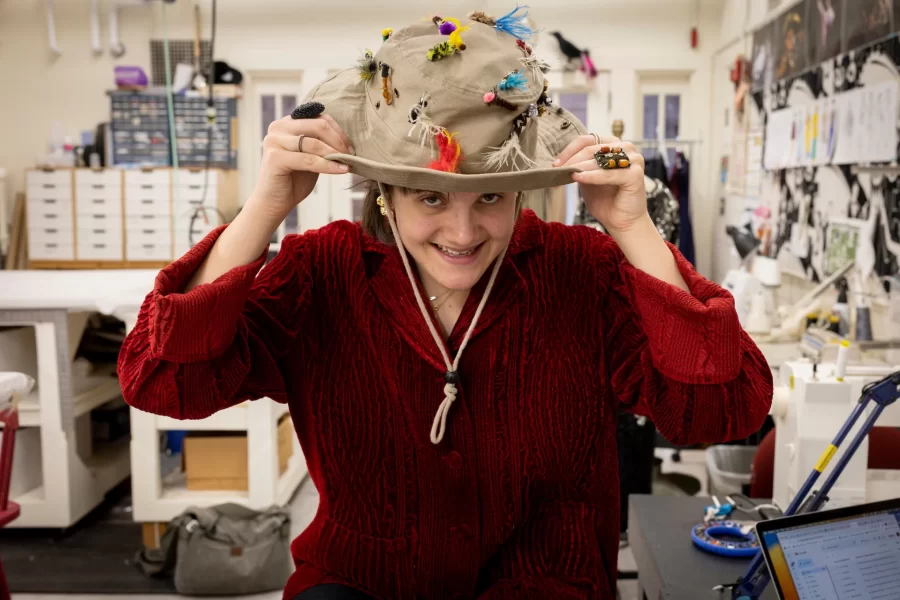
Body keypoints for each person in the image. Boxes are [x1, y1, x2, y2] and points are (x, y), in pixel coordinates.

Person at [118, 10, 774, 600]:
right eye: (431, 199)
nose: (462, 234)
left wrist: (633, 230)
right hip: (361, 585)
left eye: (491, 197)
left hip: (546, 585)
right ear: (385, 194)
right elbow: (166, 381)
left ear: (523, 191)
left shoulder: (582, 271)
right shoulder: (323, 272)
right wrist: (263, 208)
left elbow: (721, 408)